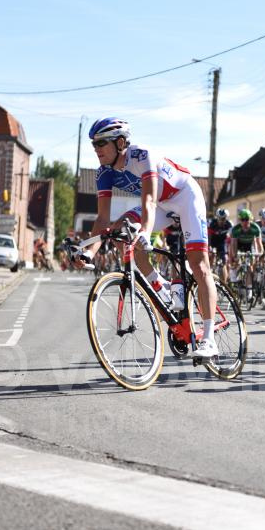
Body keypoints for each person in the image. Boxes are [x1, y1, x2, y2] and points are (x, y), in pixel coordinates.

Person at [74, 117, 218, 359]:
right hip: (162, 205)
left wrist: (145, 232)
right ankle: (162, 288)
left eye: (101, 144)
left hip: (184, 197)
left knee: (198, 264)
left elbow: (148, 201)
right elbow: (102, 220)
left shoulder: (142, 156)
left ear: (120, 142)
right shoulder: (104, 174)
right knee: (120, 231)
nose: (96, 150)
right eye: (94, 145)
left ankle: (209, 339)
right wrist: (89, 251)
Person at [228, 208, 262, 300]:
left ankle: (249, 292)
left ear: (250, 219)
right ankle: (234, 278)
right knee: (235, 260)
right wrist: (234, 256)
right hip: (239, 245)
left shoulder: (255, 228)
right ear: (240, 221)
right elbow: (233, 244)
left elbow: (259, 244)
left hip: (249, 246)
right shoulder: (236, 229)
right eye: (242, 220)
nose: (245, 222)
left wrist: (259, 253)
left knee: (249, 268)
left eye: (247, 219)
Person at [208, 208, 233, 282]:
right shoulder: (212, 223)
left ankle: (224, 284)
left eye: (223, 218)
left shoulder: (229, 224)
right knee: (211, 257)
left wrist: (229, 250)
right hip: (212, 241)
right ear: (217, 217)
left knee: (223, 261)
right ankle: (210, 273)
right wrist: (209, 246)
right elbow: (208, 236)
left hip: (222, 243)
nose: (221, 220)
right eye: (220, 218)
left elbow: (231, 238)